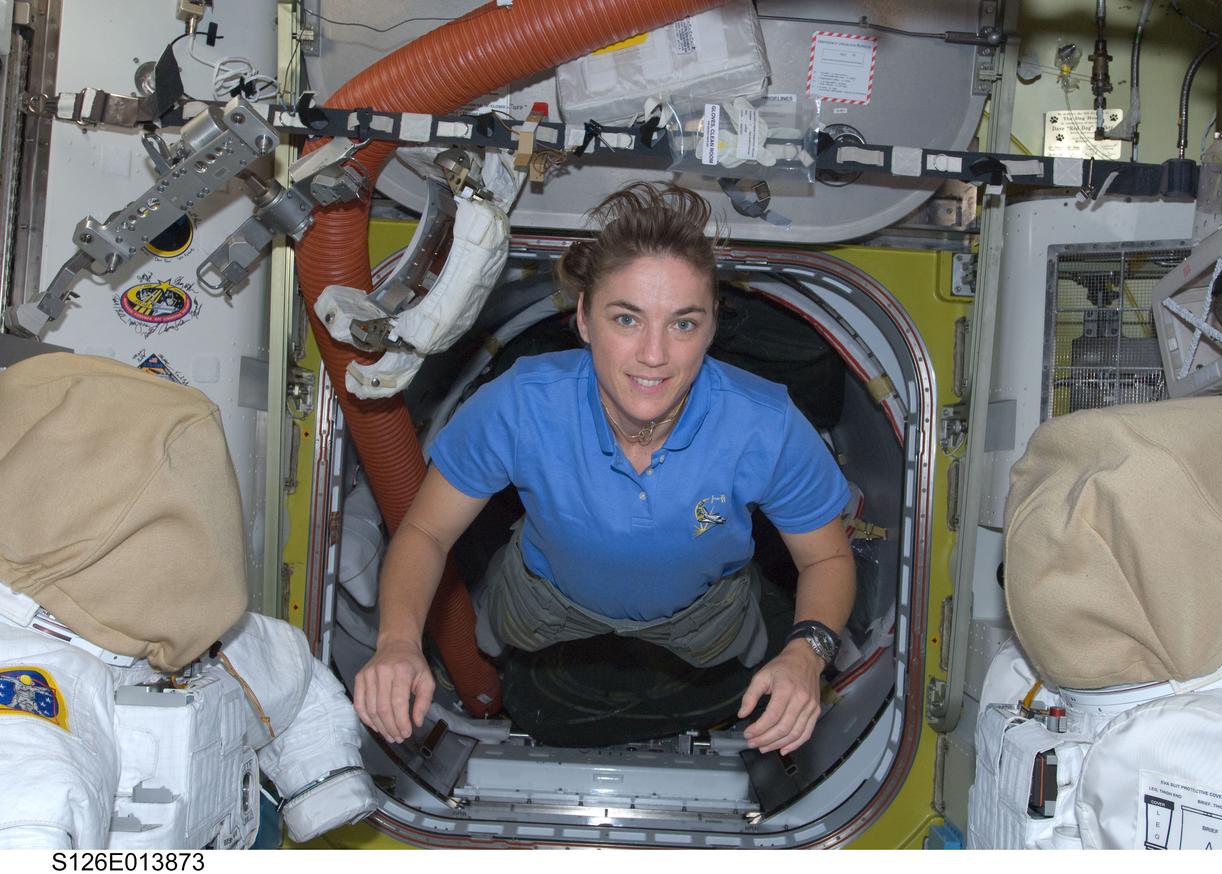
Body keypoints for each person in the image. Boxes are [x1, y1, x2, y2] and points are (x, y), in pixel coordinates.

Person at [355, 182, 855, 757]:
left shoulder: (766, 424)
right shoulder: (522, 403)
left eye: (683, 324)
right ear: (586, 319)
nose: (653, 354)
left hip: (704, 612)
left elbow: (827, 557)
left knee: (741, 651)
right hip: (544, 598)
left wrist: (805, 653)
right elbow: (425, 531)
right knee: (496, 637)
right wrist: (397, 642)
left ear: (713, 326)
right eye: (626, 319)